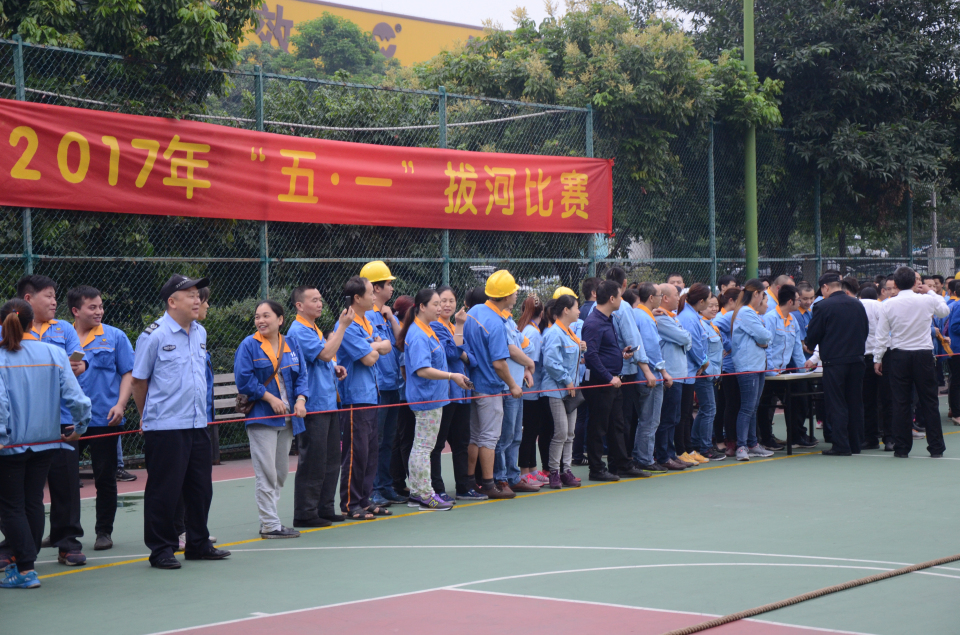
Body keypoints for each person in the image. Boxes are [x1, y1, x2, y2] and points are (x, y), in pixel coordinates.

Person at [132, 274, 230, 569]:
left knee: (200, 489)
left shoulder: (200, 332)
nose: (197, 299)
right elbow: (139, 381)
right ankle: (162, 549)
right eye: (190, 294)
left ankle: (198, 544)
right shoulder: (154, 335)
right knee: (165, 491)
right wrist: (147, 416)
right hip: (166, 426)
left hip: (197, 424)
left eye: (198, 294)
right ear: (172, 302)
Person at [0, 299, 91, 589]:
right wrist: (80, 427)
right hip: (46, 442)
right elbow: (77, 398)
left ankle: (26, 568)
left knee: (11, 506)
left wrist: (1, 436)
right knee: (33, 501)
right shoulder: (54, 352)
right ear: (31, 322)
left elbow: (1, 405)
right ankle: (27, 560)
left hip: (10, 446)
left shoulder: (2, 357)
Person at [14, 275, 87, 566]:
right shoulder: (9, 328)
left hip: (62, 420)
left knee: (65, 484)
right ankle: (16, 545)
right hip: (23, 422)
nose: (55, 302)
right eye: (48, 296)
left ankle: (67, 541)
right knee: (18, 490)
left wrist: (78, 366)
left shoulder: (65, 329)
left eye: (55, 296)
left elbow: (79, 365)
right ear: (28, 299)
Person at [234, 300, 309, 538]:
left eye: (266, 316)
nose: (261, 321)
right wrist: (269, 398)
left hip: (288, 418)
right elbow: (244, 380)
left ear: (280, 319)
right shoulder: (249, 345)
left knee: (280, 472)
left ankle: (270, 519)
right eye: (257, 317)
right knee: (266, 472)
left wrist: (301, 400)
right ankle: (270, 524)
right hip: (262, 417)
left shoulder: (292, 344)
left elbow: (302, 376)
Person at [69, 286, 134, 552]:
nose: (99, 312)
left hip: (104, 419)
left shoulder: (115, 336)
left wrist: (121, 404)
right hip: (68, 420)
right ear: (76, 311)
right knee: (63, 479)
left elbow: (129, 373)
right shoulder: (62, 337)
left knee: (105, 478)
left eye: (101, 306)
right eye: (92, 307)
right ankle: (65, 532)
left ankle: (103, 532)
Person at [398, 289, 470, 511]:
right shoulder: (418, 334)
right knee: (423, 448)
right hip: (426, 399)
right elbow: (422, 370)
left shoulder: (427, 329)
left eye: (442, 303)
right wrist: (451, 376)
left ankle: (418, 492)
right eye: (436, 304)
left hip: (435, 398)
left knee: (423, 447)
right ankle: (425, 494)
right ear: (422, 306)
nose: (440, 308)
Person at [286, 287, 350, 527]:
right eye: (314, 300)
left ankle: (325, 507)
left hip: (328, 403)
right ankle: (305, 512)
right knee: (313, 460)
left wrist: (335, 367)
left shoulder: (314, 329)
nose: (320, 303)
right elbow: (324, 354)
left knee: (331, 458)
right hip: (312, 405)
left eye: (320, 299)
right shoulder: (298, 331)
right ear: (299, 305)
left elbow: (325, 359)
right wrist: (342, 326)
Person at [873, 267, 949, 458]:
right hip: (923, 354)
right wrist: (931, 292)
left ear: (896, 284)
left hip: (899, 355)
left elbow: (881, 335)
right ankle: (936, 447)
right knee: (929, 401)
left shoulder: (888, 304)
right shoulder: (926, 300)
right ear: (915, 282)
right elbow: (944, 311)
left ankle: (901, 448)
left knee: (901, 402)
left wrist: (878, 358)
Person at [462, 271, 524, 499]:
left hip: (472, 384)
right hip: (489, 386)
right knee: (489, 438)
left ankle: (470, 481)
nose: (516, 294)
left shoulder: (475, 311)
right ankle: (488, 484)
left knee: (475, 436)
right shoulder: (496, 323)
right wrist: (513, 385)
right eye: (513, 291)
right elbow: (499, 363)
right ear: (505, 295)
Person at [337, 276, 392, 520]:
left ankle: (365, 500)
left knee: (370, 452)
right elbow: (369, 359)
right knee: (355, 453)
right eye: (370, 293)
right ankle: (350, 503)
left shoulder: (367, 321)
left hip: (371, 395)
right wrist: (376, 346)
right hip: (355, 397)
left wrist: (375, 346)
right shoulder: (347, 325)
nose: (374, 296)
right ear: (357, 298)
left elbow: (387, 346)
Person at [804, 273, 870, 456]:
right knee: (855, 402)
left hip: (834, 361)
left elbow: (815, 332)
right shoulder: (857, 304)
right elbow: (865, 329)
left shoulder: (822, 306)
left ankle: (841, 444)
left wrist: (810, 344)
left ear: (825, 287)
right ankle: (855, 443)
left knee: (836, 402)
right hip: (857, 359)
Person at [582, 280, 640, 481]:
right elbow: (591, 355)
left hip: (612, 381)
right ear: (612, 298)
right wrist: (608, 377)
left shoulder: (608, 319)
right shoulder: (593, 323)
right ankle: (596, 469)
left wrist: (620, 353)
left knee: (617, 424)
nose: (622, 300)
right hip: (601, 383)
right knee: (598, 426)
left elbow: (601, 350)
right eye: (620, 296)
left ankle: (621, 464)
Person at [358, 261, 405, 509]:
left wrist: (392, 318)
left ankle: (386, 486)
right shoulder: (366, 316)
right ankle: (373, 489)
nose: (391, 287)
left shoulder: (386, 315)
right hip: (378, 387)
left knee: (388, 440)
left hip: (392, 384)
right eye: (388, 283)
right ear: (375, 288)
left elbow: (400, 343)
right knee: (375, 441)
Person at [431, 287, 484, 501]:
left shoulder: (453, 327)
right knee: (438, 443)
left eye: (451, 301)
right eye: (442, 301)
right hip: (447, 393)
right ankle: (437, 488)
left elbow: (473, 359)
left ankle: (463, 486)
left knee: (462, 442)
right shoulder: (435, 326)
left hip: (462, 394)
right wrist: (460, 338)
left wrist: (460, 349)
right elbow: (453, 353)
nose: (447, 305)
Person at [605, 268, 656, 477]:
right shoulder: (623, 306)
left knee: (614, 420)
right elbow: (633, 339)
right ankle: (623, 462)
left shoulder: (599, 307)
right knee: (624, 419)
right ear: (624, 284)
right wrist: (647, 370)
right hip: (624, 371)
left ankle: (616, 462)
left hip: (608, 370)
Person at [541, 294, 585, 488]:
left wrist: (582, 349)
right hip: (557, 390)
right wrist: (567, 381)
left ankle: (566, 470)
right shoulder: (554, 333)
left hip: (570, 391)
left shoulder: (568, 332)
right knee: (560, 432)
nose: (579, 311)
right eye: (576, 307)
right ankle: (554, 472)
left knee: (570, 433)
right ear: (566, 310)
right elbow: (551, 362)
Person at [756, 284, 807, 451]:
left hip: (784, 371)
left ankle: (796, 436)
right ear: (790, 301)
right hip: (769, 372)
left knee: (796, 401)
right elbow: (767, 346)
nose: (800, 302)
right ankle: (766, 439)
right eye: (799, 300)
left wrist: (803, 370)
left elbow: (797, 348)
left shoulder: (793, 320)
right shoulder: (770, 318)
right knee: (766, 405)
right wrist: (771, 371)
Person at [730, 279, 774, 461]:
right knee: (748, 407)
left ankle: (752, 444)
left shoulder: (747, 312)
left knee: (753, 406)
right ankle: (742, 446)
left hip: (756, 365)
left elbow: (764, 338)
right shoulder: (746, 312)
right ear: (756, 293)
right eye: (763, 295)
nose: (764, 300)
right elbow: (765, 335)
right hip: (748, 366)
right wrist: (764, 339)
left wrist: (764, 340)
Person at [632, 283, 672, 472]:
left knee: (643, 419)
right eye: (659, 295)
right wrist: (663, 371)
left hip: (639, 374)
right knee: (650, 419)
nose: (661, 298)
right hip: (650, 376)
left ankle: (640, 455)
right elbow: (652, 348)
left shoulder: (637, 313)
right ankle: (645, 458)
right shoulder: (646, 319)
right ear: (651, 298)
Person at [655, 283, 693, 469]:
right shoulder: (661, 319)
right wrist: (684, 338)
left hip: (678, 374)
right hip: (670, 375)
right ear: (665, 298)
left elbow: (687, 340)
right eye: (676, 295)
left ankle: (670, 453)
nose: (679, 298)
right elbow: (685, 338)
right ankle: (663, 456)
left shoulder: (671, 318)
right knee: (667, 417)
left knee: (674, 417)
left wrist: (684, 338)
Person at [675, 283, 712, 465]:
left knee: (686, 413)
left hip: (690, 372)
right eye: (709, 299)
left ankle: (688, 448)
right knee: (682, 414)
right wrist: (703, 361)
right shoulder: (689, 318)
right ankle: (681, 450)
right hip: (687, 371)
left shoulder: (692, 315)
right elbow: (694, 345)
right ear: (702, 301)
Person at [516, 296, 550, 489]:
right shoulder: (534, 333)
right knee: (529, 432)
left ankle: (532, 469)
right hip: (531, 390)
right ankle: (524, 472)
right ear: (542, 313)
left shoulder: (526, 329)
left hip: (530, 389)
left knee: (531, 431)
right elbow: (531, 364)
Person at [388, 294, 417, 498]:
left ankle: (398, 482)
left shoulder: (399, 327)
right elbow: (404, 368)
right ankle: (410, 482)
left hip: (402, 394)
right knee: (405, 440)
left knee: (400, 440)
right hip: (405, 396)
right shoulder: (405, 331)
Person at [571, 278, 600, 465]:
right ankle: (579, 453)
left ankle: (576, 453)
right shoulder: (589, 315)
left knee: (577, 416)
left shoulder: (556, 325)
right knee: (583, 415)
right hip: (581, 374)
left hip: (577, 375)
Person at [713, 288, 742, 455]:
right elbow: (714, 328)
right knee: (726, 405)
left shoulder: (733, 315)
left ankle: (729, 438)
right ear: (732, 301)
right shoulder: (723, 317)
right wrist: (728, 346)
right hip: (726, 367)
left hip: (732, 366)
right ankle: (723, 439)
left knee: (730, 404)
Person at [697, 293, 725, 460]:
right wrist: (706, 366)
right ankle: (705, 447)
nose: (715, 308)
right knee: (709, 410)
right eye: (710, 305)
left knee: (706, 410)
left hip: (714, 374)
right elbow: (699, 349)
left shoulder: (711, 325)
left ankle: (696, 441)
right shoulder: (700, 325)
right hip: (705, 374)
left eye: (716, 305)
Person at [858, 285, 885, 449]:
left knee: (865, 400)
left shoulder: (857, 305)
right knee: (882, 399)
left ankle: (868, 436)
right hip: (880, 356)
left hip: (862, 356)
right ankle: (885, 435)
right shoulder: (881, 306)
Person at [792, 281, 816, 352]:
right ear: (798, 298)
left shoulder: (808, 310)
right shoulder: (797, 315)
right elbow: (801, 344)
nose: (809, 302)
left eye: (811, 298)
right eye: (805, 299)